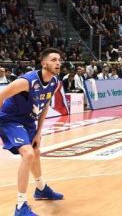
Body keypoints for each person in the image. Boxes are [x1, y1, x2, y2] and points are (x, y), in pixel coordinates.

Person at [0, 48, 65, 216]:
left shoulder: (55, 83)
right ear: (44, 63)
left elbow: (45, 106)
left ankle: (41, 189)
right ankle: (21, 206)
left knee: (35, 151)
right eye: (53, 60)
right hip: (10, 119)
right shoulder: (26, 81)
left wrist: (38, 132)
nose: (58, 62)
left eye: (59, 59)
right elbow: (1, 96)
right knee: (28, 154)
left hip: (29, 121)